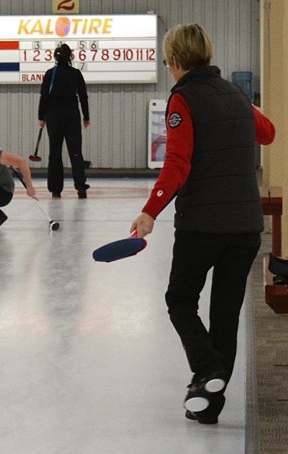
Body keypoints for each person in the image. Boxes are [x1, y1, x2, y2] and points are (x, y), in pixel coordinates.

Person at [129, 24, 275, 424]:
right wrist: (237, 103)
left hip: (203, 225)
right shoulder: (235, 93)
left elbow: (178, 162)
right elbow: (269, 133)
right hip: (245, 226)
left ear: (175, 61)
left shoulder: (183, 99)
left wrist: (150, 210)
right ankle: (208, 404)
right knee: (225, 315)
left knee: (179, 300)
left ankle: (207, 370)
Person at [37, 43, 91, 199]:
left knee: (55, 153)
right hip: (72, 116)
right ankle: (81, 187)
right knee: (75, 152)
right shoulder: (75, 74)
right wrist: (86, 116)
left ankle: (55, 189)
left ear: (55, 57)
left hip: (53, 116)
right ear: (70, 57)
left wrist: (41, 116)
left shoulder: (50, 74)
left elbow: (44, 96)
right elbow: (83, 96)